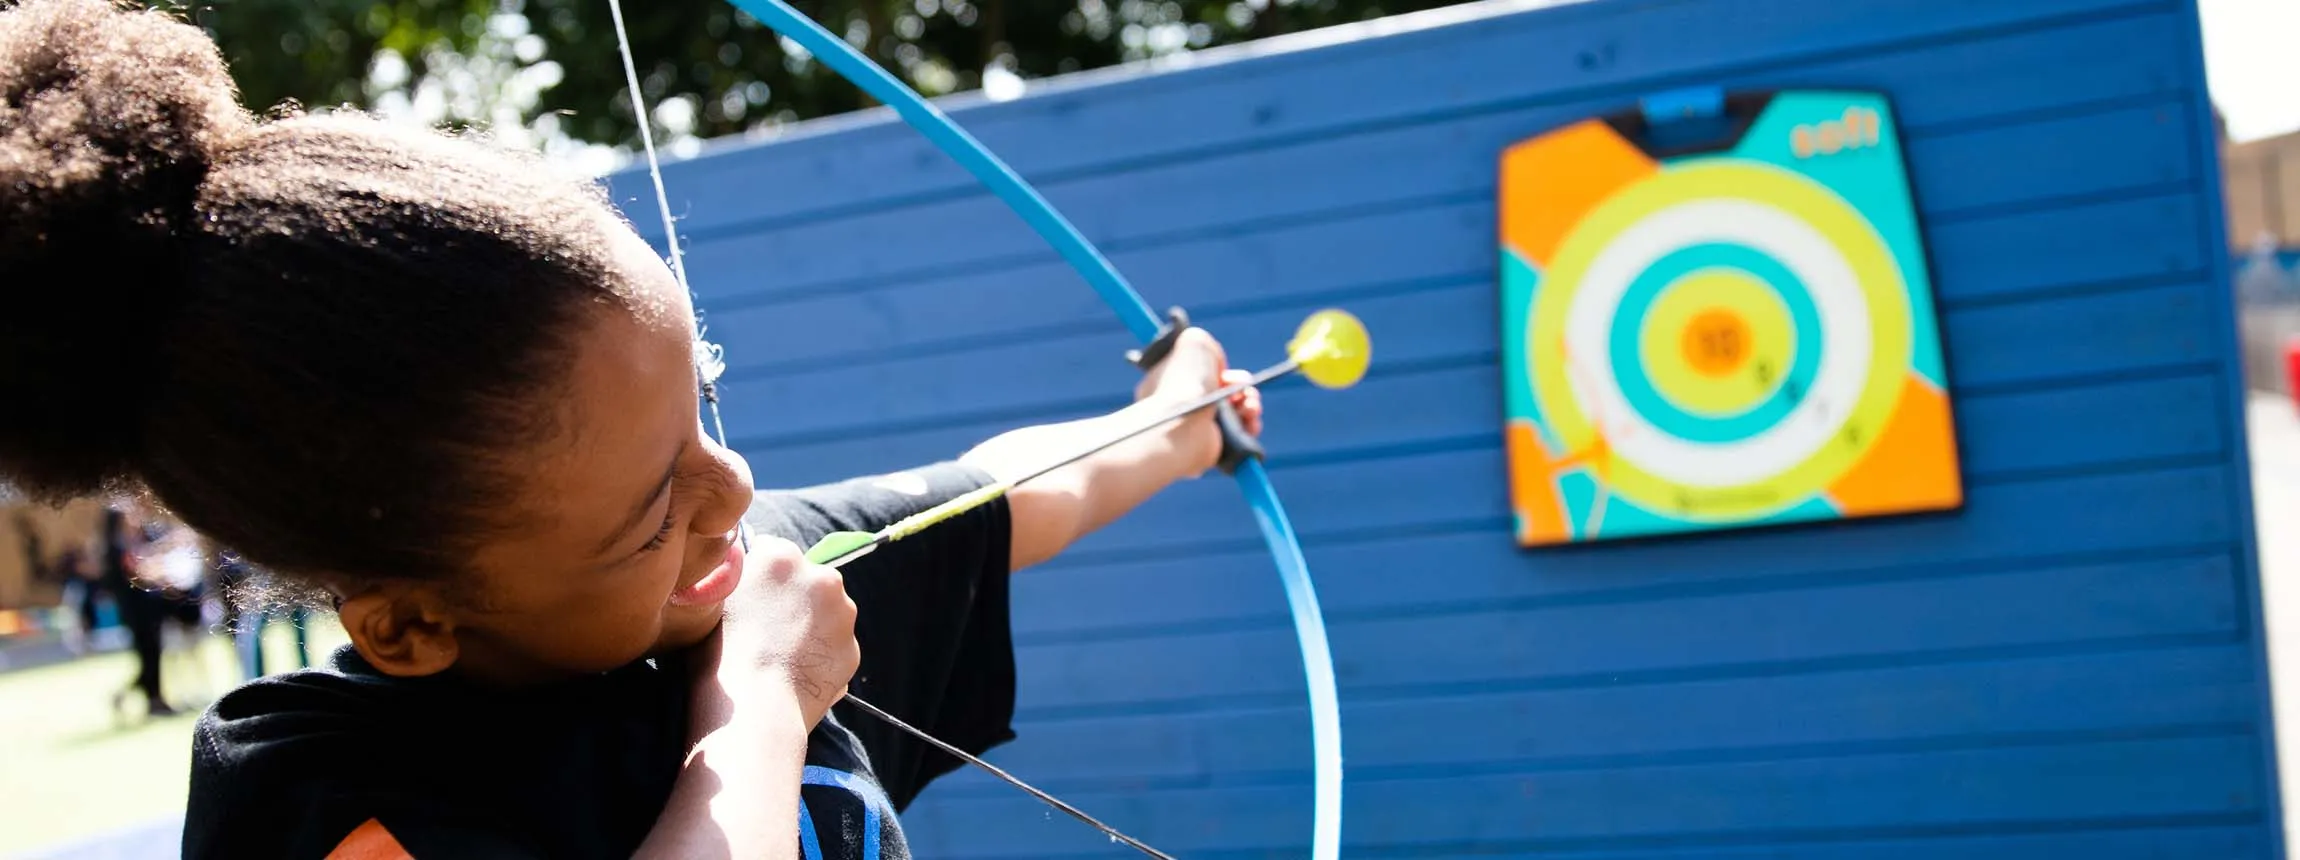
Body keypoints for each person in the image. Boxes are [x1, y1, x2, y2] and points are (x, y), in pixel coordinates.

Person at [0, 1, 1266, 858]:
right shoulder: (314, 789)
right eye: (652, 505)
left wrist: (1176, 417)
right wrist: (761, 705)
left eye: (699, 405)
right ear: (409, 618)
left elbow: (1005, 492)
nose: (732, 487)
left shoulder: (735, 578)